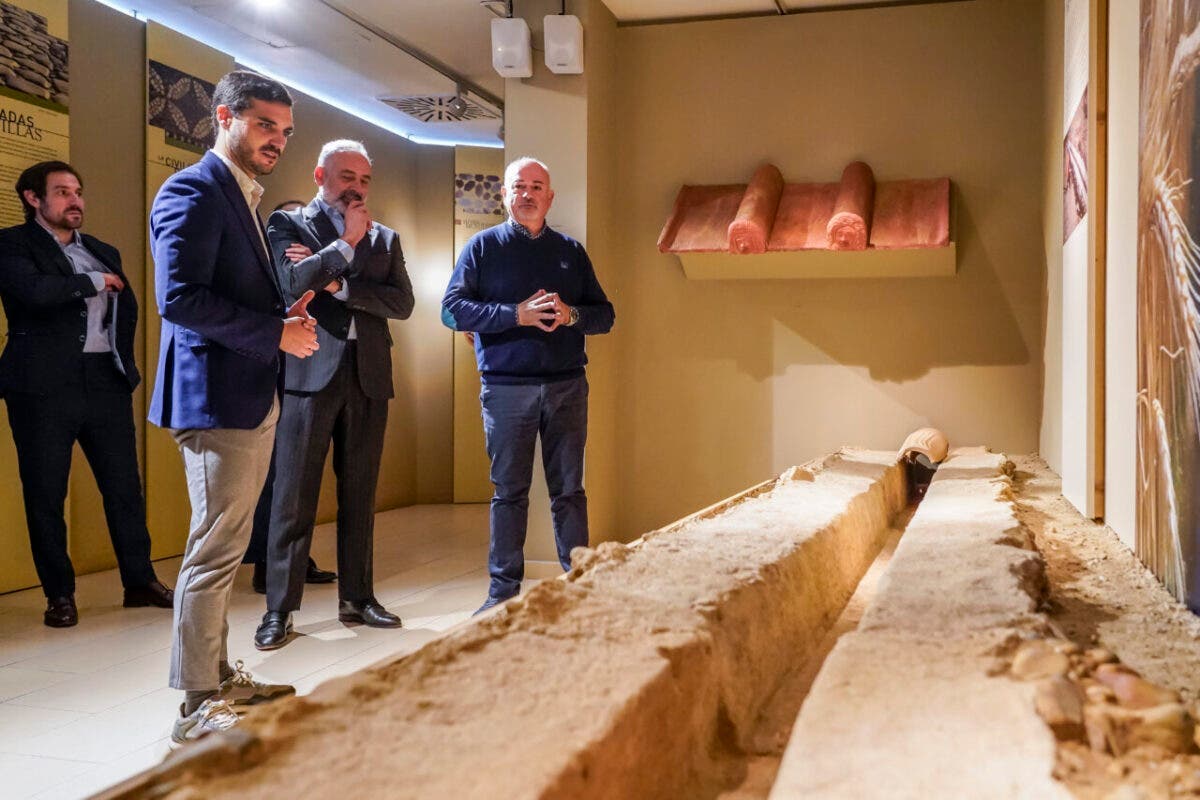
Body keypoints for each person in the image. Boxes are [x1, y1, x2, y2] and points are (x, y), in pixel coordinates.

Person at [148, 70, 319, 743]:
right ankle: (196, 705)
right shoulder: (191, 189)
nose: (277, 140)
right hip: (213, 395)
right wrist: (274, 332)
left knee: (225, 544)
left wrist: (281, 312)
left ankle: (217, 675)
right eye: (265, 125)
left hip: (245, 390)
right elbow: (180, 299)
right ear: (226, 116)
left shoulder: (242, 195)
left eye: (285, 130)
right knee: (214, 552)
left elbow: (224, 293)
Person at [253, 140, 413, 650]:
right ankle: (279, 609)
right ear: (321, 174)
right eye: (347, 177)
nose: (357, 188)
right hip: (307, 373)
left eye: (364, 180)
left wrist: (339, 287)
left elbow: (402, 302)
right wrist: (344, 244)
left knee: (360, 494)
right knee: (293, 497)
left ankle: (358, 598)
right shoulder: (289, 226)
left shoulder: (385, 238)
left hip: (369, 375)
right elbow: (293, 283)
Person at [0, 161, 173, 628]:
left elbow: (129, 308)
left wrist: (124, 366)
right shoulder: (11, 244)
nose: (74, 201)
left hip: (104, 382)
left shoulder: (101, 249)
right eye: (61, 192)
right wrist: (93, 283)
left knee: (124, 489)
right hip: (41, 387)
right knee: (45, 494)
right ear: (33, 199)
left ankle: (139, 580)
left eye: (78, 191)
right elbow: (35, 293)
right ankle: (60, 595)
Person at [442, 157, 614, 615]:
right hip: (505, 389)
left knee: (569, 492)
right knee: (508, 493)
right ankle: (502, 595)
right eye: (519, 186)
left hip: (566, 387)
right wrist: (513, 314)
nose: (528, 193)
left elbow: (605, 316)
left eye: (537, 186)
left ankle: (580, 588)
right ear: (504, 195)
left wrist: (570, 314)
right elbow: (452, 310)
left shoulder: (570, 252)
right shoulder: (482, 248)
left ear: (550, 197)